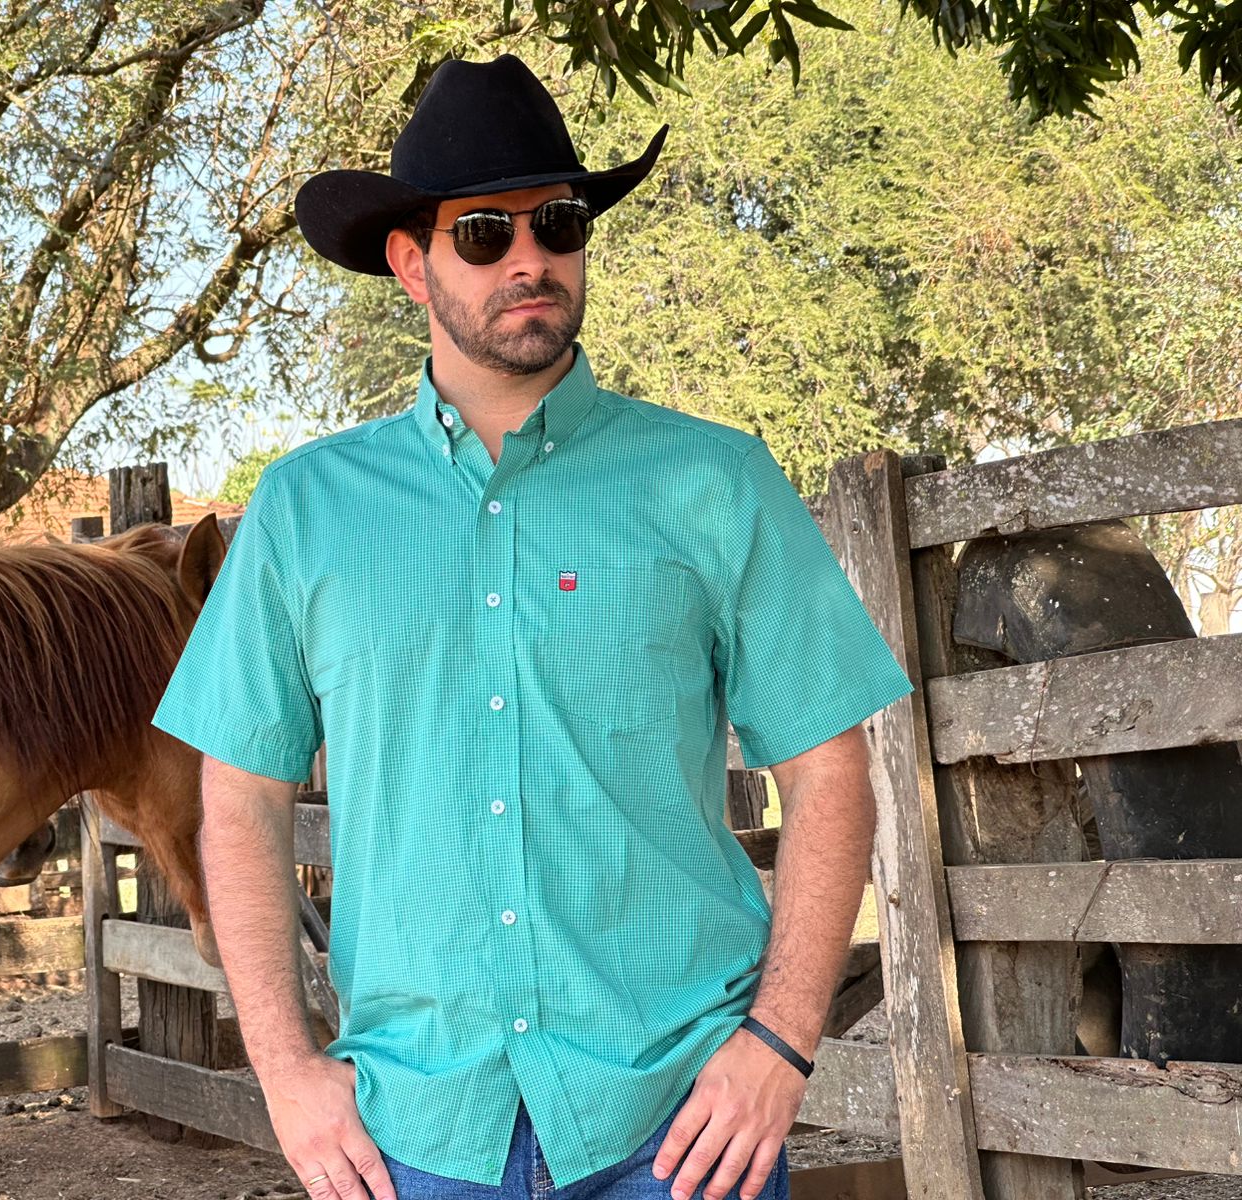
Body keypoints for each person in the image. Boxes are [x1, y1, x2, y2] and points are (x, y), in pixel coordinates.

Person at [152, 54, 913, 1200]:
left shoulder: (714, 482)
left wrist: (779, 1043)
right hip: (413, 1138)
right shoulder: (304, 512)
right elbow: (239, 798)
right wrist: (286, 1072)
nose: (529, 260)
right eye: (483, 233)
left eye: (556, 225)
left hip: (681, 1132)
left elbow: (829, 768)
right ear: (409, 263)